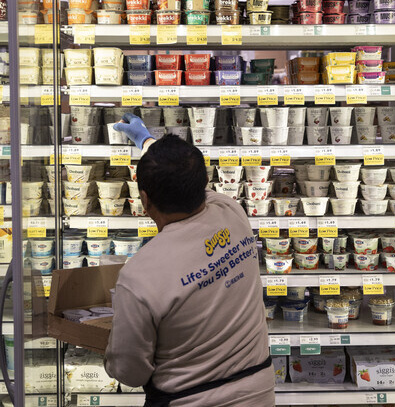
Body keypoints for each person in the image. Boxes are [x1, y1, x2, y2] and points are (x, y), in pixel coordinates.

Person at [104, 113, 274, 407]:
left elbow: (129, 372)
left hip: (188, 399)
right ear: (204, 182)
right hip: (258, 393)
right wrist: (148, 143)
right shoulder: (231, 210)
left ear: (144, 200)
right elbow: (189, 182)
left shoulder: (139, 277)